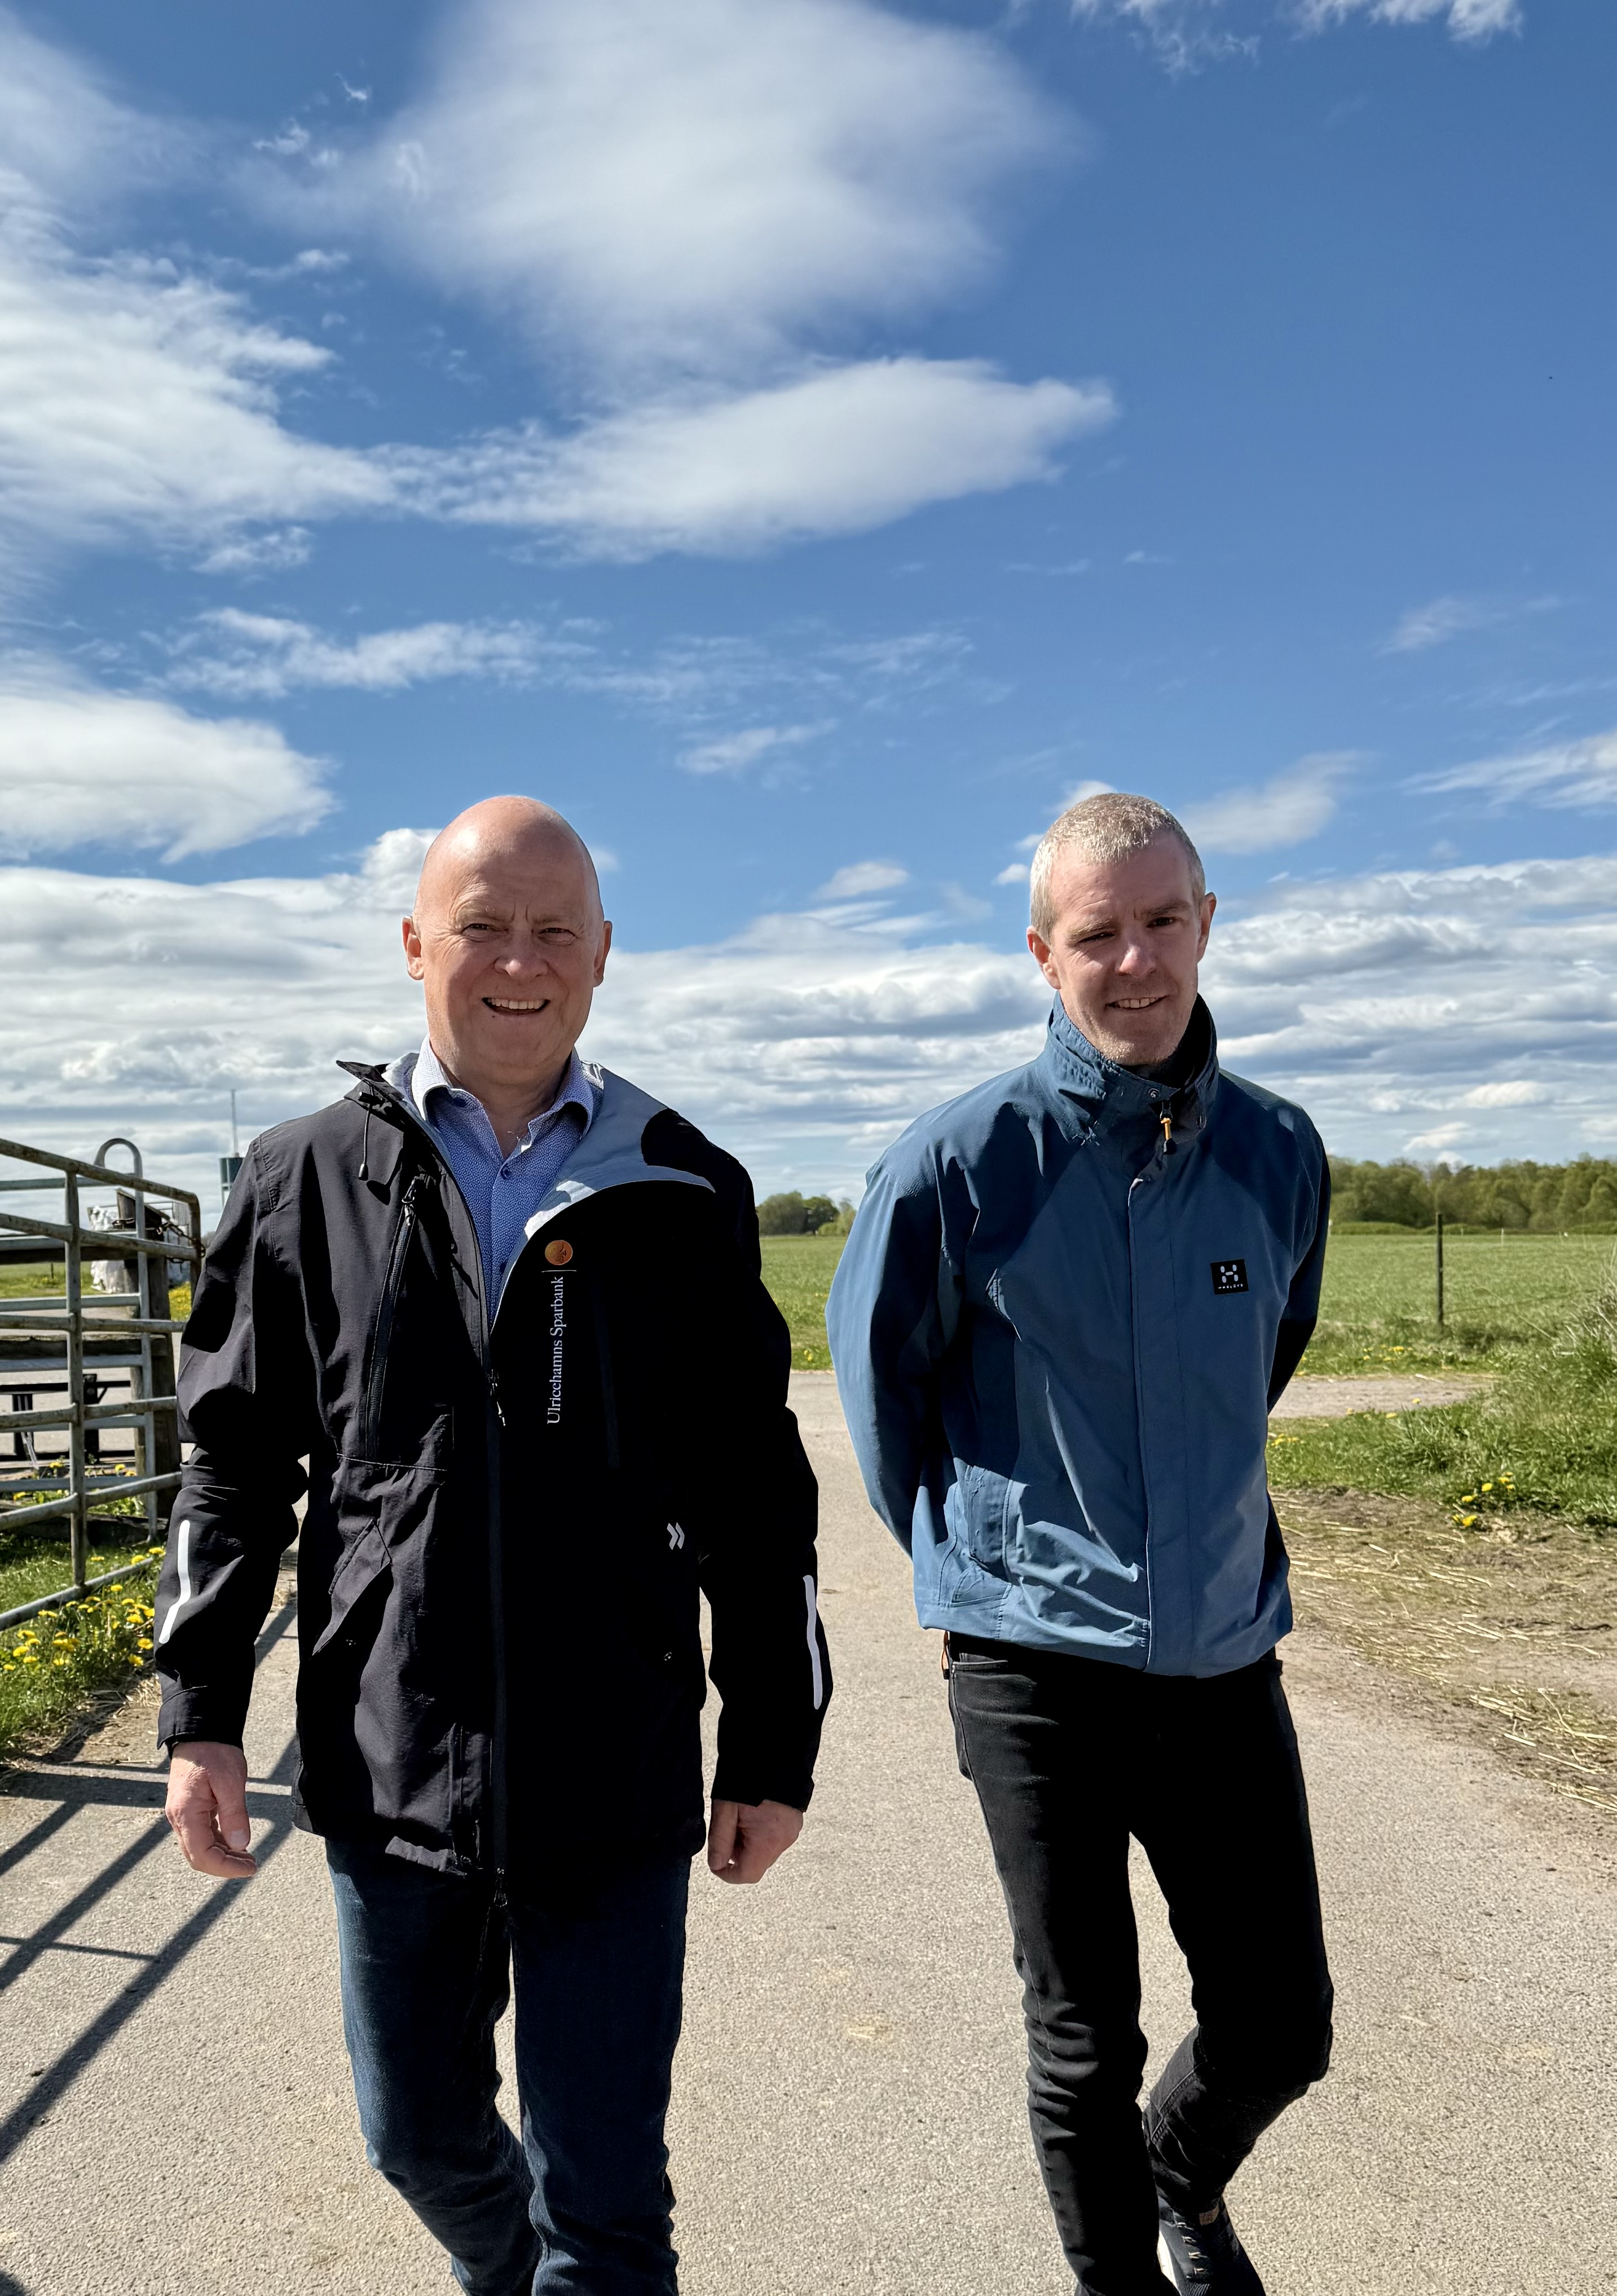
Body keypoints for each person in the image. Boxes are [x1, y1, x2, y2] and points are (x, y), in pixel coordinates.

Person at [158, 795, 830, 2296]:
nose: (518, 962)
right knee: (416, 2136)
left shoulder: (683, 1183)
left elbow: (755, 1496)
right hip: (392, 1761)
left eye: (552, 931)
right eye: (481, 927)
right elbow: (232, 1466)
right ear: (415, 945)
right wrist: (200, 1713)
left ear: (601, 952)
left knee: (605, 2199)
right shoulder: (300, 1177)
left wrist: (771, 1747)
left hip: (616, 1768)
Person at [827, 792, 1332, 2296]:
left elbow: (1264, 1357)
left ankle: (1178, 2179)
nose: (1134, 961)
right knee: (1083, 2037)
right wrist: (988, 1568)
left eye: (1161, 922)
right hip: (1033, 1667)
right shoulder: (957, 1164)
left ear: (1206, 924)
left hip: (1223, 1655)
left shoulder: (1278, 1152)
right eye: (1096, 934)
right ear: (1042, 954)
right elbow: (883, 1403)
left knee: (1279, 2025)